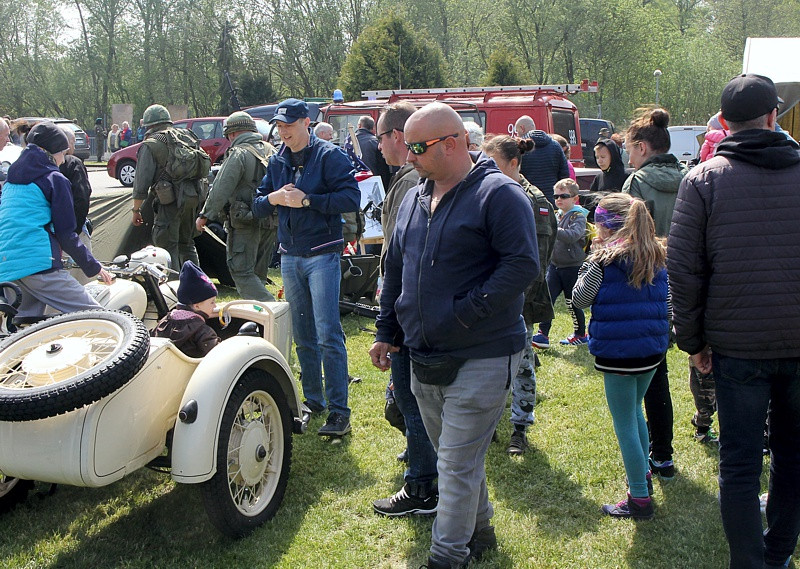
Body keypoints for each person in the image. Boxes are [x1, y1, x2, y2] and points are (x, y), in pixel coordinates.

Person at [370, 103, 538, 568]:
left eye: (417, 148)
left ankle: (447, 557)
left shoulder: (498, 194)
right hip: (423, 354)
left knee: (455, 466)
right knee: (456, 459)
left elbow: (522, 266)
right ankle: (479, 532)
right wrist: (388, 330)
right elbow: (397, 268)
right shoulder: (413, 197)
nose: (407, 156)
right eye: (405, 145)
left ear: (452, 144)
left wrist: (465, 312)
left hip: (482, 354)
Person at [668, 73, 800, 569]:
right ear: (773, 117)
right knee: (791, 459)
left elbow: (684, 271)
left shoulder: (703, 180)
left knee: (742, 463)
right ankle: (777, 555)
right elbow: (685, 268)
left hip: (738, 347)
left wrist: (692, 341)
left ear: (723, 123)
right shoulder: (704, 180)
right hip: (775, 343)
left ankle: (754, 561)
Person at [252, 98, 360, 437]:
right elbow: (256, 204)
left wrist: (308, 200)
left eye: (289, 125)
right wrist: (273, 199)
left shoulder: (330, 156)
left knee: (328, 332)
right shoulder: (277, 160)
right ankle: (314, 401)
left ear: (306, 123)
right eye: (279, 127)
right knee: (302, 334)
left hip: (323, 255)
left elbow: (351, 199)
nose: (283, 132)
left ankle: (340, 411)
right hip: (290, 255)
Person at [572, 192, 669, 520]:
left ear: (604, 226)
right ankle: (643, 475)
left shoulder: (603, 260)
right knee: (635, 413)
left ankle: (639, 499)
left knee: (625, 420)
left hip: (618, 353)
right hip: (652, 350)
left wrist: (589, 263)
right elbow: (668, 304)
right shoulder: (657, 253)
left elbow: (580, 299)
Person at [370, 101, 438, 517]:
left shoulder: (411, 182)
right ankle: (423, 465)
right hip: (413, 308)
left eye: (380, 137)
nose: (377, 146)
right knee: (417, 401)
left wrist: (389, 321)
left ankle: (421, 487)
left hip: (407, 310)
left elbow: (400, 258)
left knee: (413, 400)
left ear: (397, 136)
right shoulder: (414, 179)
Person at [622, 107, 687, 481]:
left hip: (645, 286)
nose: (628, 156)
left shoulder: (636, 185)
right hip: (685, 283)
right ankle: (663, 454)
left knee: (650, 374)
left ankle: (654, 456)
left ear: (643, 148)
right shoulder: (692, 177)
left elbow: (625, 241)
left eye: (630, 149)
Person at [482, 134, 557, 455]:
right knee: (487, 369)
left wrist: (503, 300)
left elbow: (534, 266)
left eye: (492, 163)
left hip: (516, 303)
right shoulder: (491, 191)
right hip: (489, 299)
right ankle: (488, 426)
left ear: (513, 164)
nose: (485, 169)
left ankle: (519, 428)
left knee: (522, 366)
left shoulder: (532, 201)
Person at [0, 121, 112, 317]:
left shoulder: (12, 178)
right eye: (63, 153)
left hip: (7, 265)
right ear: (53, 152)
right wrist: (94, 267)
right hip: (38, 261)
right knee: (99, 317)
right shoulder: (54, 178)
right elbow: (66, 233)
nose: (63, 159)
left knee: (26, 329)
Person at [196, 111, 276, 301]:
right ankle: (259, 319)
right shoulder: (271, 150)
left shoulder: (238, 153)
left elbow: (222, 187)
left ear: (231, 134)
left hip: (245, 222)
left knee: (241, 271)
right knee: (258, 273)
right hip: (271, 219)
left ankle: (272, 310)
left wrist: (205, 215)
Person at [131, 104, 203, 269]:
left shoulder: (151, 144)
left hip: (169, 201)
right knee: (187, 244)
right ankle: (198, 287)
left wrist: (136, 210)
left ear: (149, 126)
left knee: (167, 247)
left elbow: (141, 184)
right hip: (193, 197)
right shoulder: (187, 136)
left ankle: (173, 290)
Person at [532, 178, 588, 348]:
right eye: (556, 196)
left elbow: (573, 236)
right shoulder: (557, 215)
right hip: (554, 266)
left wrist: (554, 227)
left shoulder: (579, 216)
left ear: (575, 198)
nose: (558, 199)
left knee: (573, 302)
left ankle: (580, 334)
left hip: (572, 266)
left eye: (563, 196)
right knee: (547, 298)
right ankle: (543, 333)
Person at [152, 260, 220, 357]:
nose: (215, 306)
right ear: (197, 306)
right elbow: (217, 353)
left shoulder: (166, 321)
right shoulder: (201, 330)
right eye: (212, 302)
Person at [57, 124, 94, 285]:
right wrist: (75, 231)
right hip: (73, 231)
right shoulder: (74, 163)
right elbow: (82, 197)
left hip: (52, 232)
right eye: (73, 142)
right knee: (85, 281)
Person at [514, 115, 569, 204]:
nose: (517, 135)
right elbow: (564, 175)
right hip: (552, 200)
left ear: (522, 128)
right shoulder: (555, 146)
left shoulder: (520, 148)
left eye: (517, 131)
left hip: (528, 200)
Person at [355, 115, 391, 188]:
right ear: (373, 128)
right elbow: (385, 168)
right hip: (376, 185)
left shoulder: (349, 142)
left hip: (355, 184)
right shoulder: (377, 142)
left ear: (359, 126)